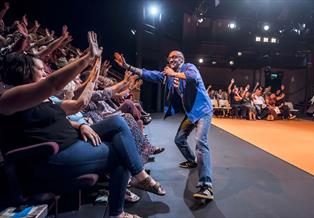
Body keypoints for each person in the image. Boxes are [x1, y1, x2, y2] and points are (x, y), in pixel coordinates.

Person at [0, 32, 165, 218]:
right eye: (40, 69)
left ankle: (138, 178)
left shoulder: (42, 98)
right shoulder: (8, 98)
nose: (45, 72)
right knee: (121, 155)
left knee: (118, 122)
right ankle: (121, 207)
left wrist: (80, 126)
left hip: (72, 141)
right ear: (24, 71)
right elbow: (53, 83)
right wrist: (87, 58)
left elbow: (74, 107)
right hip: (52, 157)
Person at [114, 50, 214, 200]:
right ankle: (192, 161)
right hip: (191, 114)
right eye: (169, 57)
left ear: (182, 59)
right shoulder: (168, 74)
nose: (171, 59)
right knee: (179, 139)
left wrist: (172, 74)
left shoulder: (189, 67)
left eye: (174, 57)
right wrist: (127, 66)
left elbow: (192, 78)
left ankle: (206, 186)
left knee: (200, 142)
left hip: (203, 111)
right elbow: (149, 74)